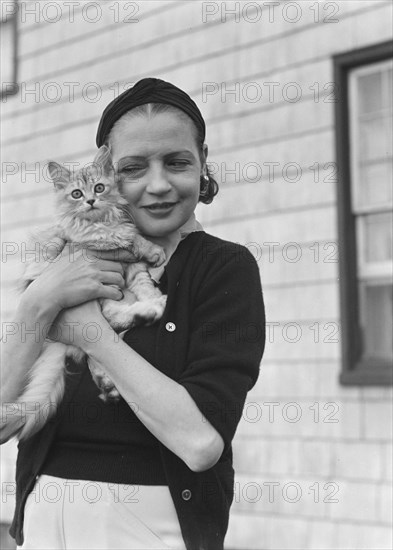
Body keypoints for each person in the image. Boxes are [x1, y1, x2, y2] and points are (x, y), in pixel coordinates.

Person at [1, 78, 266, 550]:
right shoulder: (63, 263)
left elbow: (201, 444)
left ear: (203, 163)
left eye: (178, 162)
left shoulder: (223, 268)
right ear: (107, 174)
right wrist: (38, 302)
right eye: (134, 167)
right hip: (41, 522)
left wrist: (89, 333)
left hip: (149, 525)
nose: (158, 184)